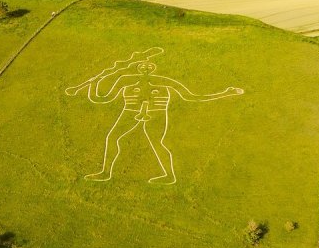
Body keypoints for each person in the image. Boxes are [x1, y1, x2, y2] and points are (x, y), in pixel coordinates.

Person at [66, 51, 243, 184]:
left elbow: (191, 96)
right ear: (137, 68)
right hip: (130, 111)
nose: (145, 68)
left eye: (148, 67)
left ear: (153, 69)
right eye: (142, 67)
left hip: (156, 113)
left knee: (157, 143)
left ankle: (169, 175)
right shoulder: (125, 80)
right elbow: (102, 99)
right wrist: (93, 84)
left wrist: (225, 93)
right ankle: (105, 172)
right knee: (112, 138)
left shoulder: (163, 81)